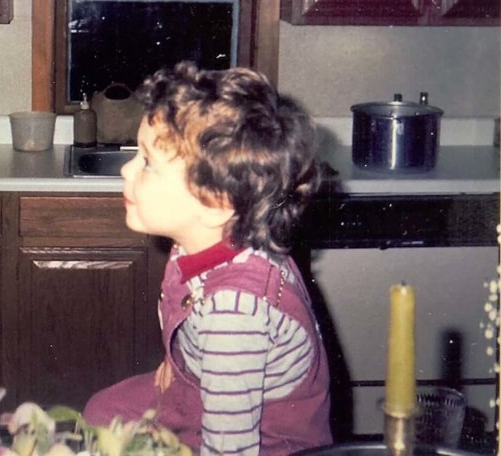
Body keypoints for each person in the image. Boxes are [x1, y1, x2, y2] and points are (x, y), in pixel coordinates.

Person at [82, 62, 332, 455]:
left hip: (266, 444)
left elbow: (229, 448)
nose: (126, 170)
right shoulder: (209, 241)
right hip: (206, 392)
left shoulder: (234, 314)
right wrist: (178, 358)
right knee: (104, 412)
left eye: (147, 162)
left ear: (215, 202)